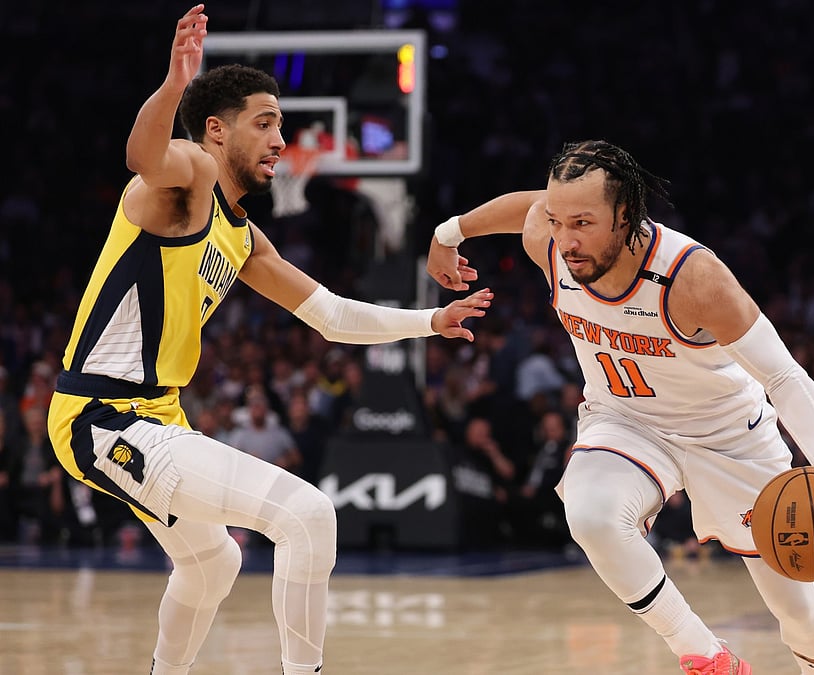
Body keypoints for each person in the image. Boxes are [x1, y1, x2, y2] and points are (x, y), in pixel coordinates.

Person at [46, 7, 492, 675]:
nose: (283, 139)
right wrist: (173, 86)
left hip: (156, 415)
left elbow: (332, 315)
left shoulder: (244, 234)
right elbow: (142, 155)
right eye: (266, 123)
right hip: (100, 413)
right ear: (217, 130)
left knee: (214, 562)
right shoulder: (188, 173)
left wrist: (429, 321)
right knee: (307, 512)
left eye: (281, 124)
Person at [427, 139, 814, 674]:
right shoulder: (548, 237)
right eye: (559, 220)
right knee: (590, 515)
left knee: (798, 610)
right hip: (626, 421)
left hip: (729, 436)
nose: (566, 240)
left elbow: (784, 376)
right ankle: (705, 654)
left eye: (583, 224)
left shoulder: (693, 277)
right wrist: (446, 233)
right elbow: (524, 208)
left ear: (625, 215)